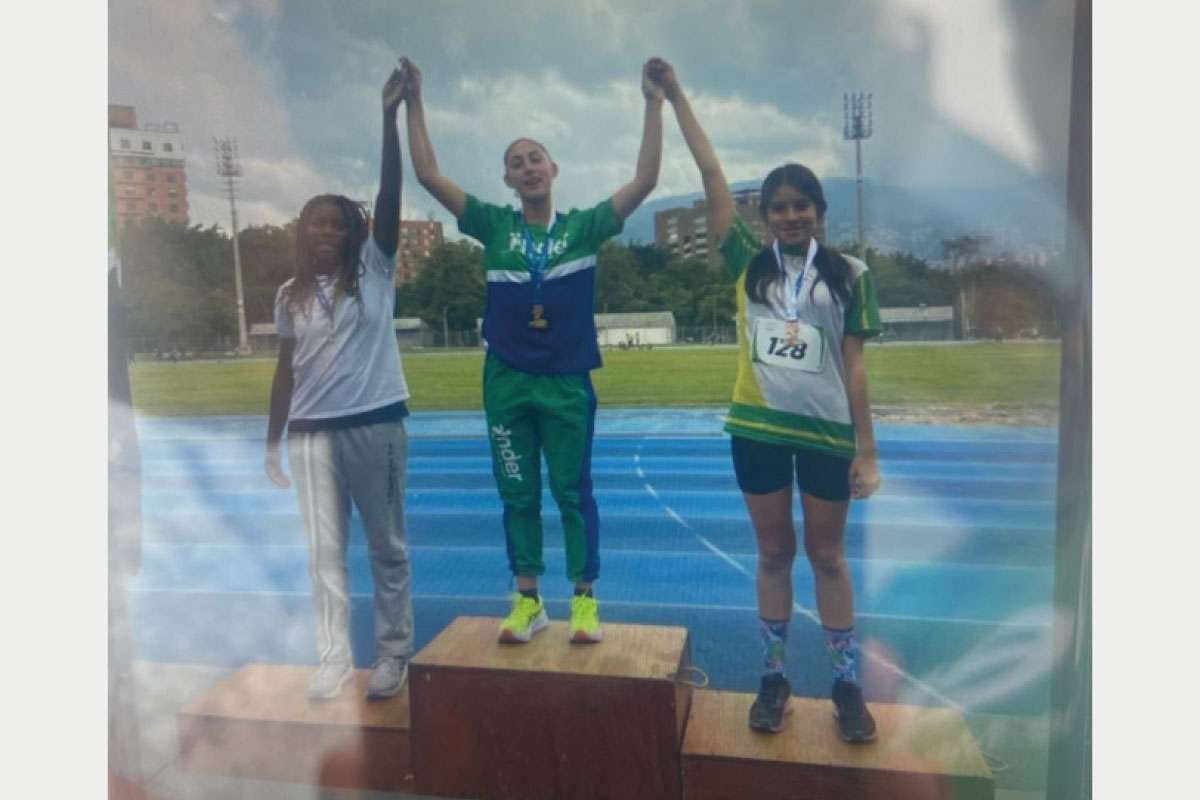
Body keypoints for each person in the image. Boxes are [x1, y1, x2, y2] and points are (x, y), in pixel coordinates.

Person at [651, 61, 882, 742]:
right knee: (775, 555)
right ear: (763, 214)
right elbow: (712, 174)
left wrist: (867, 449)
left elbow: (856, 367)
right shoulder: (748, 264)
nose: (788, 215)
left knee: (830, 558)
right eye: (777, 206)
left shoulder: (851, 276)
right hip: (755, 428)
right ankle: (773, 678)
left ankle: (845, 685)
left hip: (826, 436)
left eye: (800, 205)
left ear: (819, 212)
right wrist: (677, 95)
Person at [400, 56, 663, 645]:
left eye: (535, 158)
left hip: (567, 380)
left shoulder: (586, 227)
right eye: (516, 163)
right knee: (517, 493)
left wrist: (652, 101)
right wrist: (415, 101)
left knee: (572, 492)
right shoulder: (494, 225)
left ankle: (586, 601)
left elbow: (644, 180)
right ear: (508, 181)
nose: (528, 167)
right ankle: (527, 601)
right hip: (508, 380)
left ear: (553, 168)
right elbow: (427, 174)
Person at [265, 64, 414, 701]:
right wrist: (272, 442)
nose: (323, 230)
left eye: (335, 223)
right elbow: (283, 372)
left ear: (353, 232)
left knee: (386, 549)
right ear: (301, 232)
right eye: (312, 222)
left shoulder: (375, 270)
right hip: (310, 437)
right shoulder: (287, 294)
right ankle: (330, 658)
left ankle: (391, 655)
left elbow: (389, 197)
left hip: (374, 424)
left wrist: (388, 118)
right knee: (323, 556)